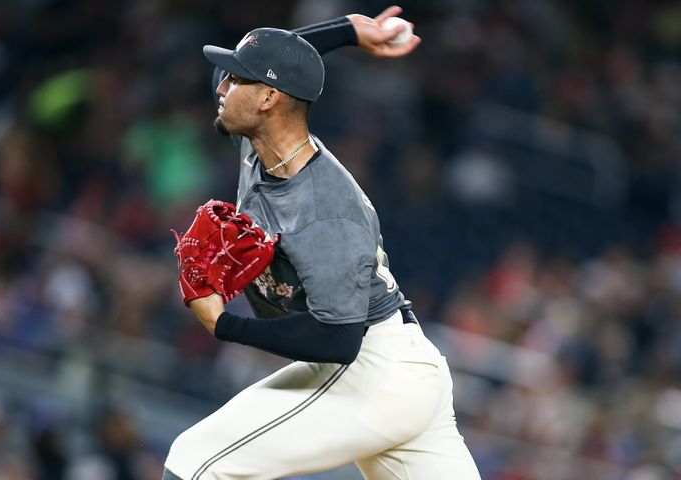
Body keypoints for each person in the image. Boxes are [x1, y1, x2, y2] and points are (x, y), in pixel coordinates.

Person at [164, 6, 481, 480]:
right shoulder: (259, 141)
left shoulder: (327, 209)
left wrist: (225, 326)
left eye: (236, 82)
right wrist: (348, 31)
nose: (222, 89)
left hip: (373, 370)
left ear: (269, 97)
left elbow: (339, 340)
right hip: (405, 369)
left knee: (195, 461)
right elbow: (273, 56)